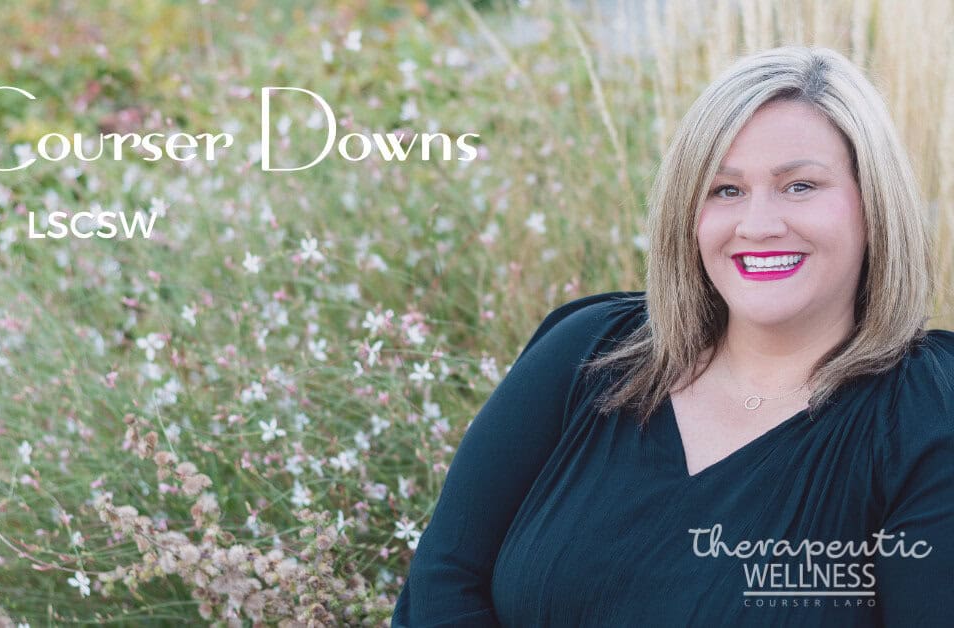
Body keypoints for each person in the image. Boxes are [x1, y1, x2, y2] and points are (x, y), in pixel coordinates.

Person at [391, 45, 954, 627]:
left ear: (874, 204)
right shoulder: (589, 354)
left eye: (800, 186)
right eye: (725, 190)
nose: (758, 225)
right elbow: (444, 583)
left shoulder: (929, 416)